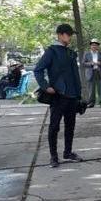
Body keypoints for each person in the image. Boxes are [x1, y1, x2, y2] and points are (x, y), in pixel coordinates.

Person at [34, 24, 84, 168]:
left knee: (70, 126)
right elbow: (38, 70)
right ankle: (53, 156)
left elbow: (75, 75)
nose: (70, 37)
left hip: (72, 96)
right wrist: (45, 86)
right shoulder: (52, 51)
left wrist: (79, 94)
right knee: (54, 127)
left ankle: (68, 153)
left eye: (71, 34)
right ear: (61, 35)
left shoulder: (70, 52)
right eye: (68, 34)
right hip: (58, 96)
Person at [82, 38, 101, 108]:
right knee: (91, 88)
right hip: (90, 73)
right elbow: (83, 63)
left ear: (98, 46)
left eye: (96, 45)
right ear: (90, 46)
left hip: (99, 72)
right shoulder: (86, 54)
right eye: (93, 45)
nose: (94, 46)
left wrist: (100, 63)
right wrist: (91, 63)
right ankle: (91, 103)